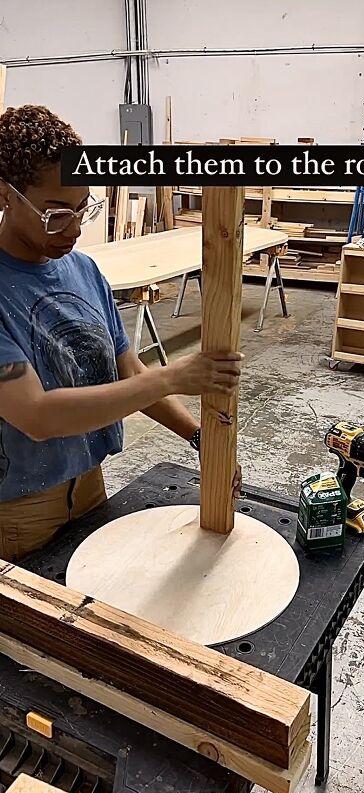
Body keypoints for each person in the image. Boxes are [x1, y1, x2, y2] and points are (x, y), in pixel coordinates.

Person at [0, 104, 242, 563]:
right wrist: (173, 377)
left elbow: (125, 369)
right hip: (16, 510)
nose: (72, 229)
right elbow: (36, 416)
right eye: (54, 214)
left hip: (89, 483)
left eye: (81, 209)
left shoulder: (83, 270)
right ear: (6, 196)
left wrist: (199, 437)